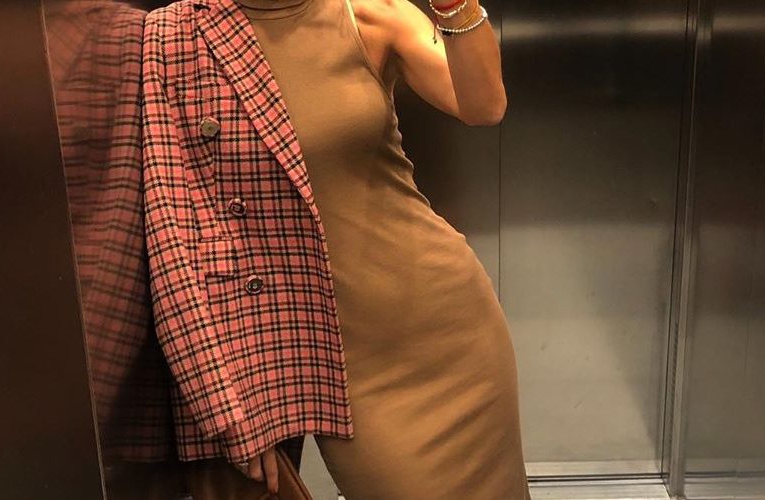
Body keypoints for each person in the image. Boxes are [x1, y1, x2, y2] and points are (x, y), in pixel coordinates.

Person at [140, 0, 528, 498]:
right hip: (338, 362)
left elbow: (483, 106)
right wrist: (224, 404)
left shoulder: (368, 11)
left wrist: (454, 6)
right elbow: (173, 238)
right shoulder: (174, 38)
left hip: (445, 322)